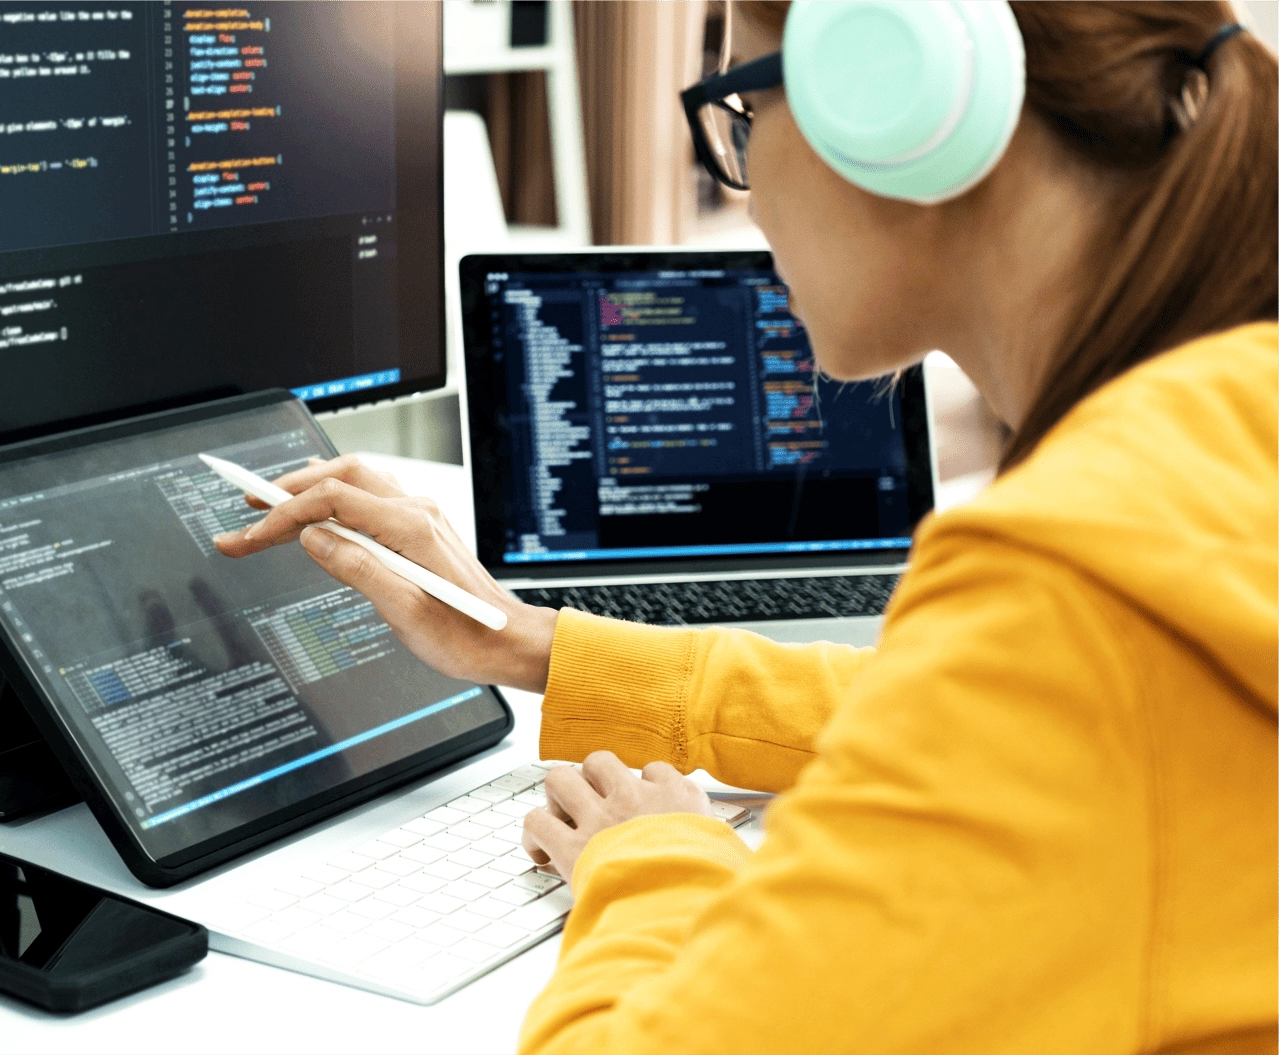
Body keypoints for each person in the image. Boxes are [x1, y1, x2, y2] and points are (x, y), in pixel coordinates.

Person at [216, 0, 1277, 1050]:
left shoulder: (1073, 577)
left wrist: (653, 862)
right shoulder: (1220, 443)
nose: (750, 190)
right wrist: (533, 642)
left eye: (739, 112)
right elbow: (943, 710)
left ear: (893, 95)